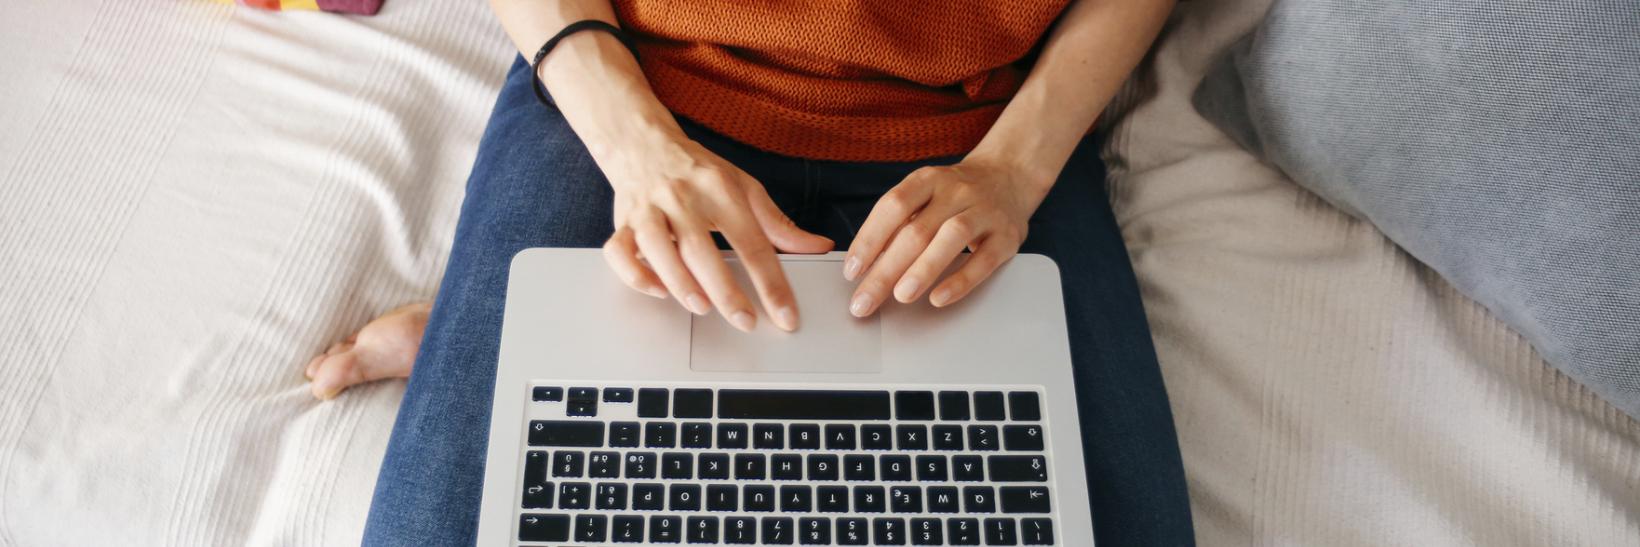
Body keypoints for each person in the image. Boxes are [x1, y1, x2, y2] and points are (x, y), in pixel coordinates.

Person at [316, 0, 1192, 544]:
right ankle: (500, 327)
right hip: (642, 83)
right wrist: (638, 148)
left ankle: (519, 329)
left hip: (981, 128)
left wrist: (1018, 168)